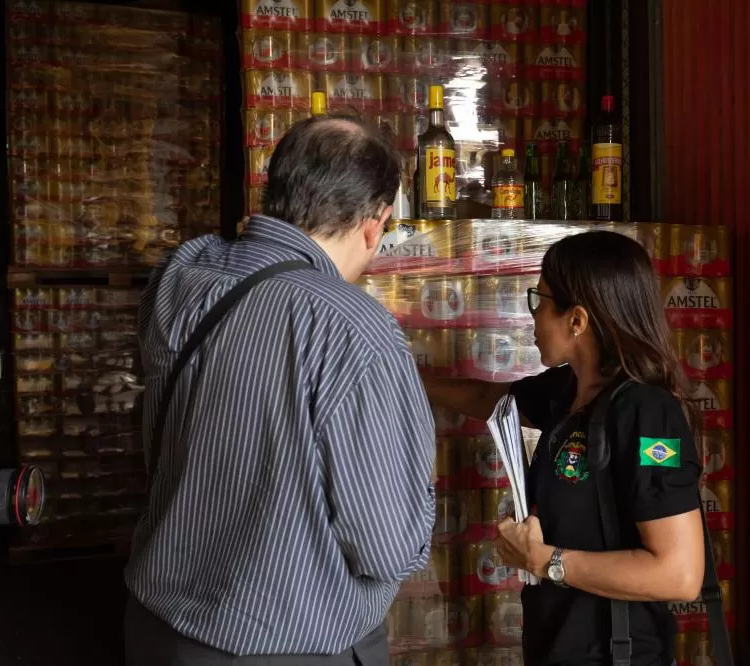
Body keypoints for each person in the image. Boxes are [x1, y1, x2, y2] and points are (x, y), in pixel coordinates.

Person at [125, 113, 436, 665]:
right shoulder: (353, 329)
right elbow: (386, 547)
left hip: (155, 627)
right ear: (376, 223)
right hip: (284, 645)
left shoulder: (179, 278)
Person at [422, 230, 705, 666]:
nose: (533, 316)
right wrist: (405, 377)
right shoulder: (567, 391)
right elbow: (487, 399)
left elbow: (678, 573)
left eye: (540, 300)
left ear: (577, 320)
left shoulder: (646, 413)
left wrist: (546, 561)